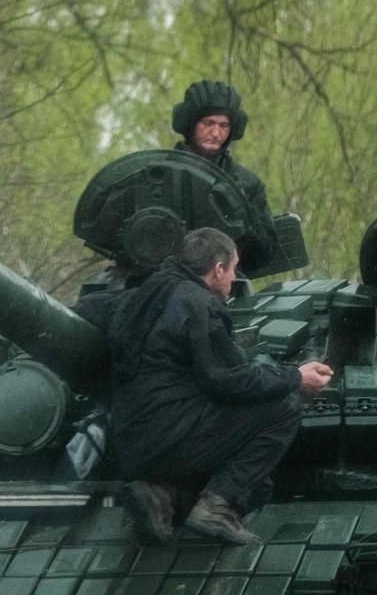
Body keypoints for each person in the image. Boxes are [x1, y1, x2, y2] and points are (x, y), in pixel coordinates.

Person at [102, 228, 333, 545]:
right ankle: (217, 508)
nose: (233, 279)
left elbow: (91, 310)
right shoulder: (199, 303)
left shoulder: (143, 293)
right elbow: (229, 380)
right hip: (172, 440)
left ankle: (162, 497)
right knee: (284, 407)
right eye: (234, 269)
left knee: (259, 484)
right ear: (218, 269)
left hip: (129, 446)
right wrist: (296, 377)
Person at [172, 79, 278, 273]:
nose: (216, 133)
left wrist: (246, 214)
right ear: (190, 123)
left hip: (225, 285)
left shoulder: (247, 184)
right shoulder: (160, 177)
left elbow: (265, 253)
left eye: (223, 125)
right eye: (208, 123)